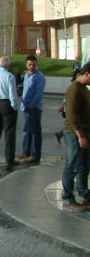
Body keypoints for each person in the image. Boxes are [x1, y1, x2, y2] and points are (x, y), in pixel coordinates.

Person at [60, 62, 90, 212]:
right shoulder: (74, 89)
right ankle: (68, 198)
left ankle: (84, 194)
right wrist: (80, 136)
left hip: (85, 132)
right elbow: (72, 115)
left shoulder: (84, 88)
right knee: (72, 165)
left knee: (84, 165)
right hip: (74, 134)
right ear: (87, 74)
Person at [18, 55, 45, 164]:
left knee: (35, 132)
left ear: (36, 64)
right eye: (30, 65)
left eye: (34, 64)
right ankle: (26, 152)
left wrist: (31, 105)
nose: (32, 67)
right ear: (26, 65)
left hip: (34, 108)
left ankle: (35, 155)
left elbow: (38, 94)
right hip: (25, 107)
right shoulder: (26, 75)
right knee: (27, 131)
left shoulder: (39, 77)